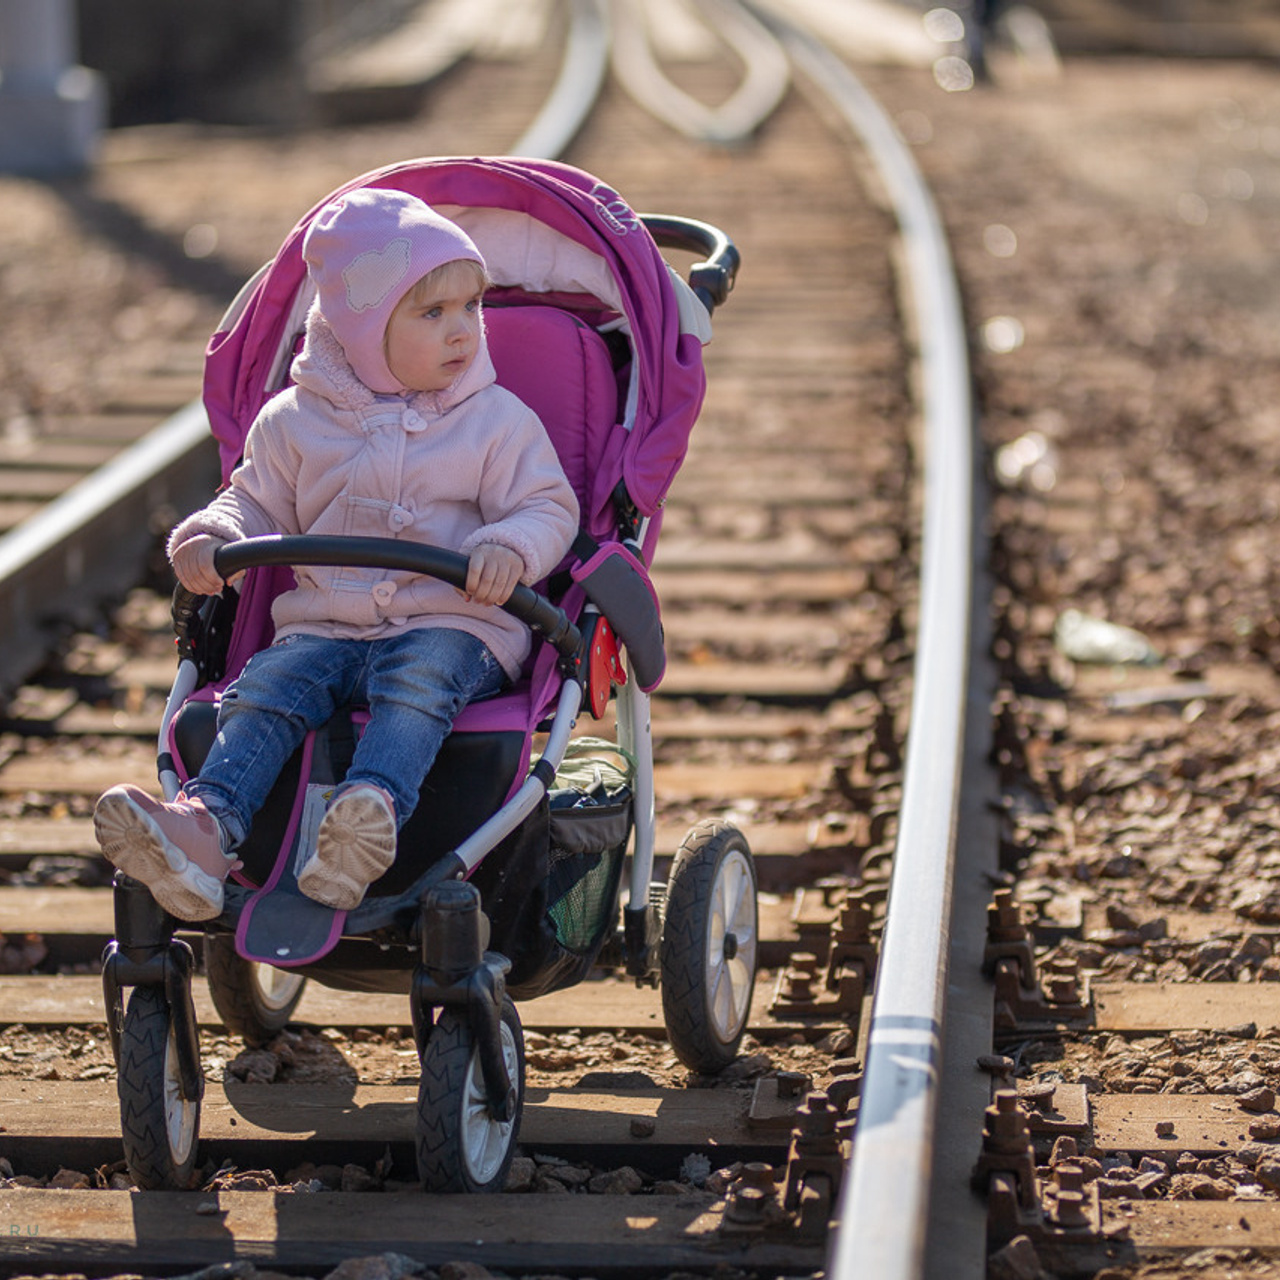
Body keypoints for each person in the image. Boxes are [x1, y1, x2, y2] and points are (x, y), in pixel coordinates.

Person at [94, 188, 580, 921]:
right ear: (360, 331)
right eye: (431, 313)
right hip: (325, 625)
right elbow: (253, 500)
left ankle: (367, 813)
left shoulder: (494, 421)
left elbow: (548, 506)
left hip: (455, 622)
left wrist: (508, 546)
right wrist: (215, 535)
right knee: (265, 688)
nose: (463, 333)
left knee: (420, 678)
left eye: (471, 308)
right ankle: (206, 826)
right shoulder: (293, 422)